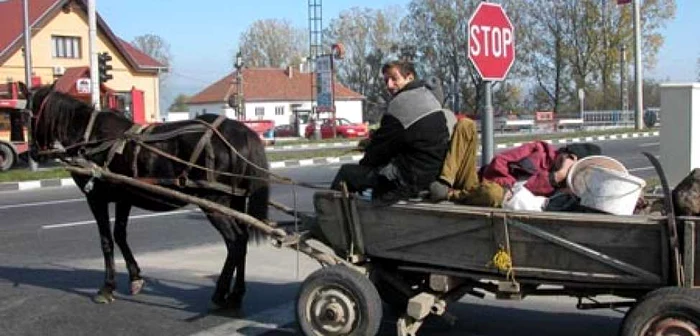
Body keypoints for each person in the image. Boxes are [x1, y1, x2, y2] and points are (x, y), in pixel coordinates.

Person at [330, 60, 456, 202]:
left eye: (394, 79)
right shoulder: (428, 98)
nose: (389, 85)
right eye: (386, 81)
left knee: (347, 173)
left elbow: (379, 149)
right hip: (430, 174)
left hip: (409, 181)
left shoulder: (402, 103)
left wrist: (364, 164)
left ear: (410, 77)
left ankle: (330, 220)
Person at [430, 118, 601, 207]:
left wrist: (556, 178)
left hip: (491, 196)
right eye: (568, 158)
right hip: (478, 180)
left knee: (494, 194)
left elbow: (524, 197)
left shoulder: (563, 186)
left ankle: (451, 195)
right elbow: (499, 163)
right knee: (467, 125)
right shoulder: (538, 149)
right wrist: (509, 186)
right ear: (566, 155)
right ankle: (445, 183)